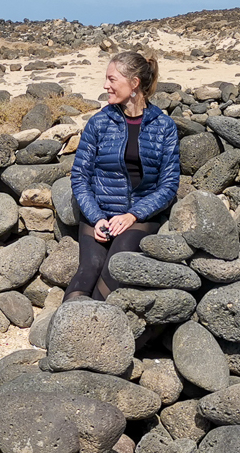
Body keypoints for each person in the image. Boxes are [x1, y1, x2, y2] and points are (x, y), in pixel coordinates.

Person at [66, 51, 179, 301]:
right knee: (89, 270)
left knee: (114, 269)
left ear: (134, 83)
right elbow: (79, 177)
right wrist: (96, 218)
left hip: (139, 216)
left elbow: (169, 185)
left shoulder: (164, 126)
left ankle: (95, 332)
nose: (105, 85)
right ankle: (66, 333)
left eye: (112, 79)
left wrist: (132, 215)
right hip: (99, 214)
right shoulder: (99, 123)